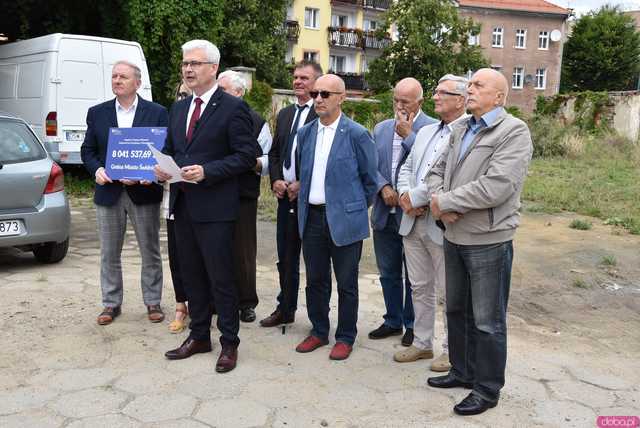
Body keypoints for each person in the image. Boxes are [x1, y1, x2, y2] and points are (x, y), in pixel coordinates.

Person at [414, 68, 533, 415]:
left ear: (499, 96)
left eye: (479, 85)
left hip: (488, 240)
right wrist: (438, 202)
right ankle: (462, 371)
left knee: (487, 319)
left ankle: (487, 388)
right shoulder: (462, 127)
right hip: (454, 234)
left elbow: (498, 186)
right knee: (455, 309)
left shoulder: (513, 132)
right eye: (470, 84)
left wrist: (446, 203)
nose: (470, 89)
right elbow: (435, 171)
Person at [154, 40, 255, 373]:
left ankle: (229, 343)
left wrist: (208, 171)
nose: (187, 69)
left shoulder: (232, 108)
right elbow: (171, 148)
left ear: (213, 68)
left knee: (220, 278)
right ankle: (199, 336)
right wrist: (162, 169)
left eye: (195, 63)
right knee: (192, 275)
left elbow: (245, 156)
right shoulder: (179, 108)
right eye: (185, 63)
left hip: (216, 208)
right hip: (182, 205)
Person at [294, 74, 377, 360]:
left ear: (342, 97)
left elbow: (370, 180)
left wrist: (352, 208)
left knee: (346, 282)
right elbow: (303, 175)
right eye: (316, 93)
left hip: (344, 219)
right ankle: (318, 331)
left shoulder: (356, 134)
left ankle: (345, 336)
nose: (318, 98)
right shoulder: (305, 134)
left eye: (325, 94)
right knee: (315, 279)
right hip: (313, 218)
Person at [80, 60, 168, 326]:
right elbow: (88, 150)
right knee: (109, 252)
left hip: (144, 192)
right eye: (114, 76)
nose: (117, 80)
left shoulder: (158, 112)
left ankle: (153, 301)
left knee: (150, 250)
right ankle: (110, 303)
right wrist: (96, 170)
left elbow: (165, 153)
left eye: (123, 77)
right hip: (109, 192)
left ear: (137, 83)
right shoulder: (97, 113)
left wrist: (150, 174)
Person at [396, 74, 469, 370]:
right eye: (436, 92)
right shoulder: (424, 131)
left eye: (442, 93)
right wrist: (404, 194)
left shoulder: (466, 133)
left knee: (448, 291)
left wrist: (415, 197)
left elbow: (449, 178)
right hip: (412, 222)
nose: (435, 97)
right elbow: (408, 167)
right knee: (419, 286)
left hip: (441, 224)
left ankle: (452, 350)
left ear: (461, 101)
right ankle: (422, 343)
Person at [369, 78, 436, 347]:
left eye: (405, 101)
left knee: (415, 276)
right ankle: (392, 319)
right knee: (388, 271)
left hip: (414, 213)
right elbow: (371, 165)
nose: (398, 106)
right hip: (385, 212)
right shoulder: (381, 128)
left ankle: (412, 324)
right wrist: (383, 186)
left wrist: (409, 135)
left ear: (419, 102)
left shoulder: (431, 129)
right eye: (395, 100)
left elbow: (430, 166)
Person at [260, 60, 322, 328]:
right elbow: (274, 153)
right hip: (285, 198)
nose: (297, 82)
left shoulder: (321, 115)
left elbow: (323, 160)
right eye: (295, 77)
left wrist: (302, 184)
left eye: (304, 78)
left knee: (314, 261)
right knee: (285, 258)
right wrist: (275, 180)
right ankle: (285, 308)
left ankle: (317, 319)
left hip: (309, 200)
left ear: (316, 83)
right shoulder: (285, 115)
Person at [217, 69, 273, 323]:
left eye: (223, 90)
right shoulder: (211, 116)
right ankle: (217, 300)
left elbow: (267, 159)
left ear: (239, 93)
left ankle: (246, 302)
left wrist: (246, 162)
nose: (218, 95)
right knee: (215, 249)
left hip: (243, 194)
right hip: (214, 191)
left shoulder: (257, 121)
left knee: (243, 251)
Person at [166, 80, 191, 333]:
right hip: (172, 200)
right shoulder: (173, 118)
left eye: (189, 95)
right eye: (181, 94)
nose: (185, 98)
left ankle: (201, 306)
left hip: (200, 201)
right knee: (176, 256)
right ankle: (180, 305)